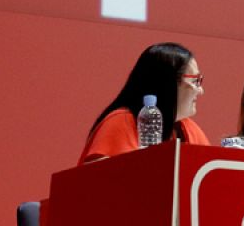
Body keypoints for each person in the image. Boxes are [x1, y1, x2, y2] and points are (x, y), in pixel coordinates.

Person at [79, 42, 210, 163]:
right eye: (195, 81)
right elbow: (101, 177)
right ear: (168, 83)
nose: (201, 91)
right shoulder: (121, 122)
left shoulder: (190, 129)